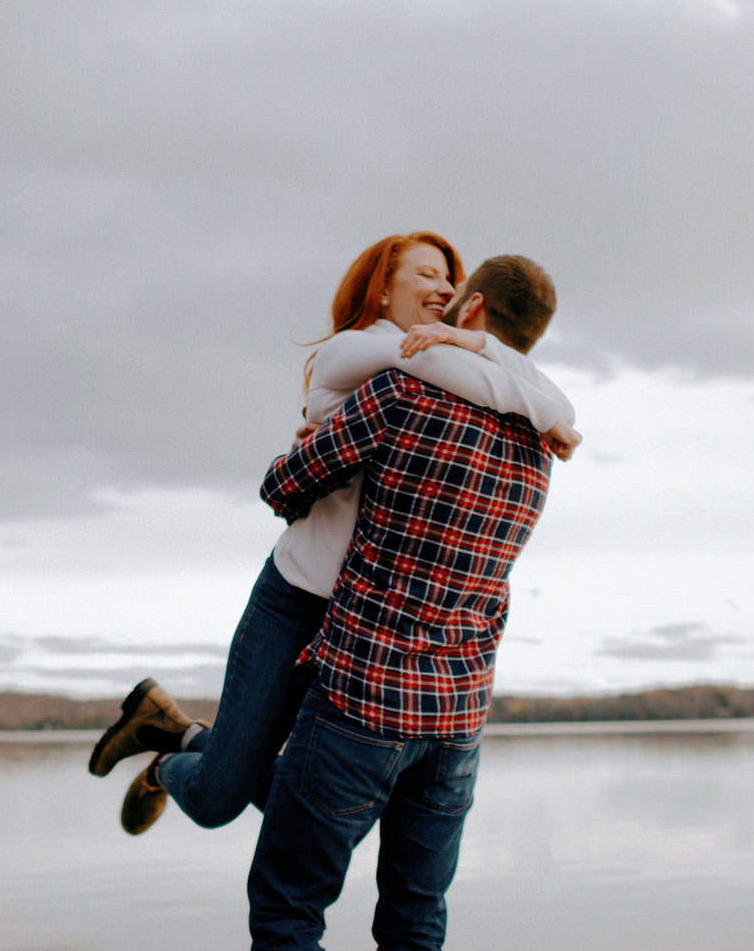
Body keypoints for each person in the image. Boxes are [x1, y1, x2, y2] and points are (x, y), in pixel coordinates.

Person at [228, 255, 562, 951]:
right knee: (413, 938)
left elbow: (281, 486)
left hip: (361, 703)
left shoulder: (402, 395)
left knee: (287, 916)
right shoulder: (541, 445)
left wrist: (323, 442)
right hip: (456, 724)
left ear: (466, 312)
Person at [88, 237, 579, 835]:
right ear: (382, 288)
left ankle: (173, 729)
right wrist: (530, 397)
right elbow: (535, 395)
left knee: (334, 804)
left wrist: (488, 354)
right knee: (220, 800)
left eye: (451, 279)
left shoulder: (457, 363)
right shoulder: (366, 350)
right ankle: (170, 757)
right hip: (298, 601)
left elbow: (549, 397)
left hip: (367, 623)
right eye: (426, 274)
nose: (445, 290)